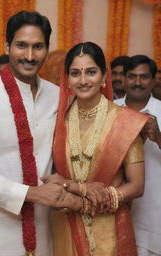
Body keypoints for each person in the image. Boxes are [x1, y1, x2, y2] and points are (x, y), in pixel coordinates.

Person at [0, 11, 78, 256]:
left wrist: (60, 180)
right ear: (7, 46)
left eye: (38, 47)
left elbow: (62, 151)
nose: (30, 56)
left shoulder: (57, 96)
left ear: (47, 48)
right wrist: (31, 194)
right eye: (22, 45)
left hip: (42, 228)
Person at [47, 42, 148, 256]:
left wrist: (89, 202)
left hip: (110, 228)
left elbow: (137, 186)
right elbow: (53, 174)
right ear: (67, 79)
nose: (83, 80)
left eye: (91, 72)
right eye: (75, 73)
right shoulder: (57, 121)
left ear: (104, 77)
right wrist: (69, 192)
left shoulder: (127, 122)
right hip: (66, 225)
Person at [115, 55, 161, 256]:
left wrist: (158, 137)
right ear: (123, 79)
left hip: (152, 214)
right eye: (132, 76)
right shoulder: (109, 109)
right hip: (112, 209)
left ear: (154, 80)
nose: (137, 82)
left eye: (144, 77)